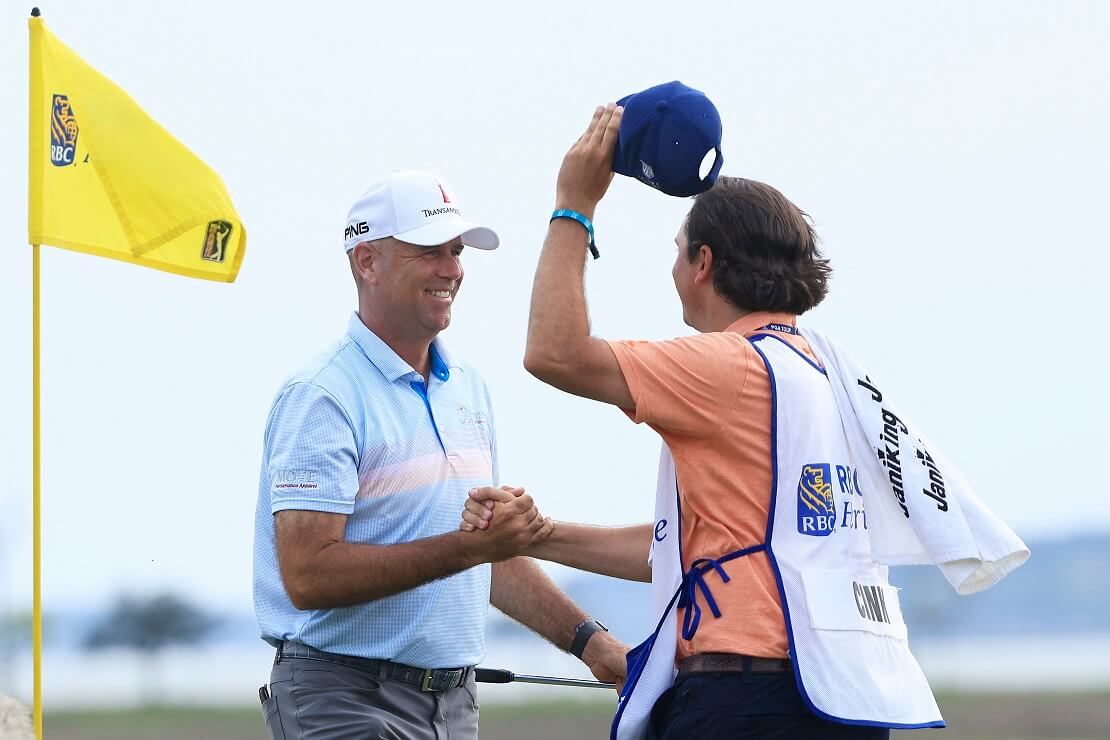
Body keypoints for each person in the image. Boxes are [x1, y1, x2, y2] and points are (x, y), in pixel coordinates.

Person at [462, 104, 953, 738]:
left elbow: (553, 353)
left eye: (676, 253)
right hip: (842, 697)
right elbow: (686, 546)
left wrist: (573, 205)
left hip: (745, 702)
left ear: (703, 263)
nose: (671, 271)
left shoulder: (732, 366)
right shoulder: (824, 373)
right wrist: (541, 535)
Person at [253, 169, 628, 740]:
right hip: (344, 699)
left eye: (456, 251)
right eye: (429, 251)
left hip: (454, 708)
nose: (451, 269)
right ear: (367, 262)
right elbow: (308, 574)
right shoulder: (322, 395)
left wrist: (591, 643)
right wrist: (469, 547)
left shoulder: (468, 390)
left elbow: (487, 558)